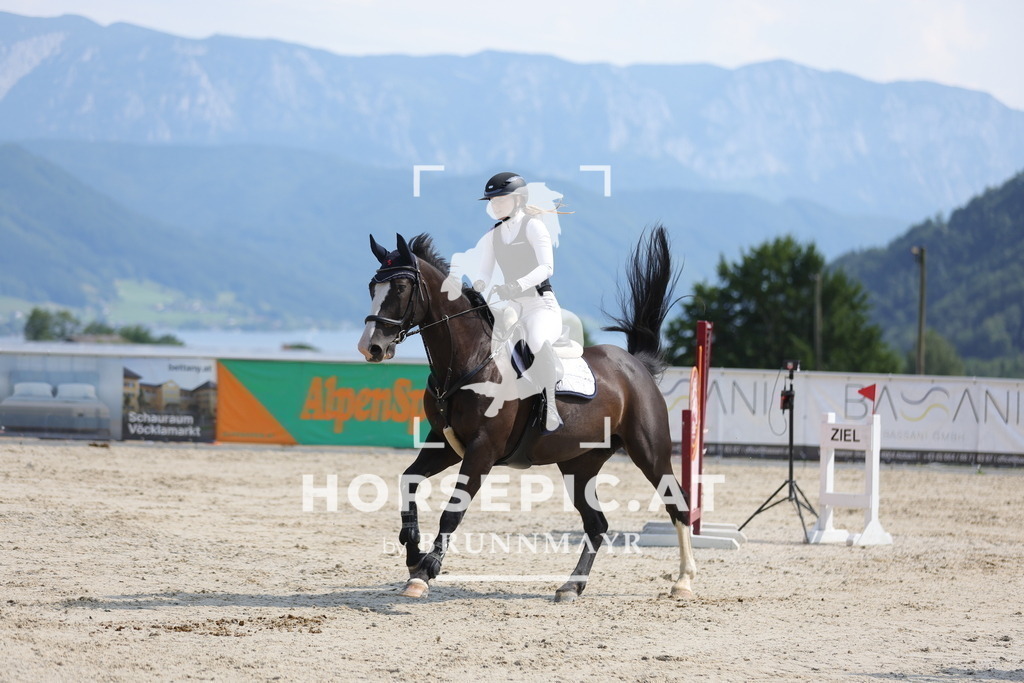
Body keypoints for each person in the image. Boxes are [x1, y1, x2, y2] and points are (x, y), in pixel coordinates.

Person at [445, 172, 565, 431]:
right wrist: (474, 289)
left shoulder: (534, 226)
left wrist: (517, 285)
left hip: (540, 305)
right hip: (512, 308)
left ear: (518, 200)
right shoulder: (494, 234)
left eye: (500, 200)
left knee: (535, 341)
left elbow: (547, 267)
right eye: (492, 201)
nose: (495, 205)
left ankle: (551, 407)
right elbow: (484, 273)